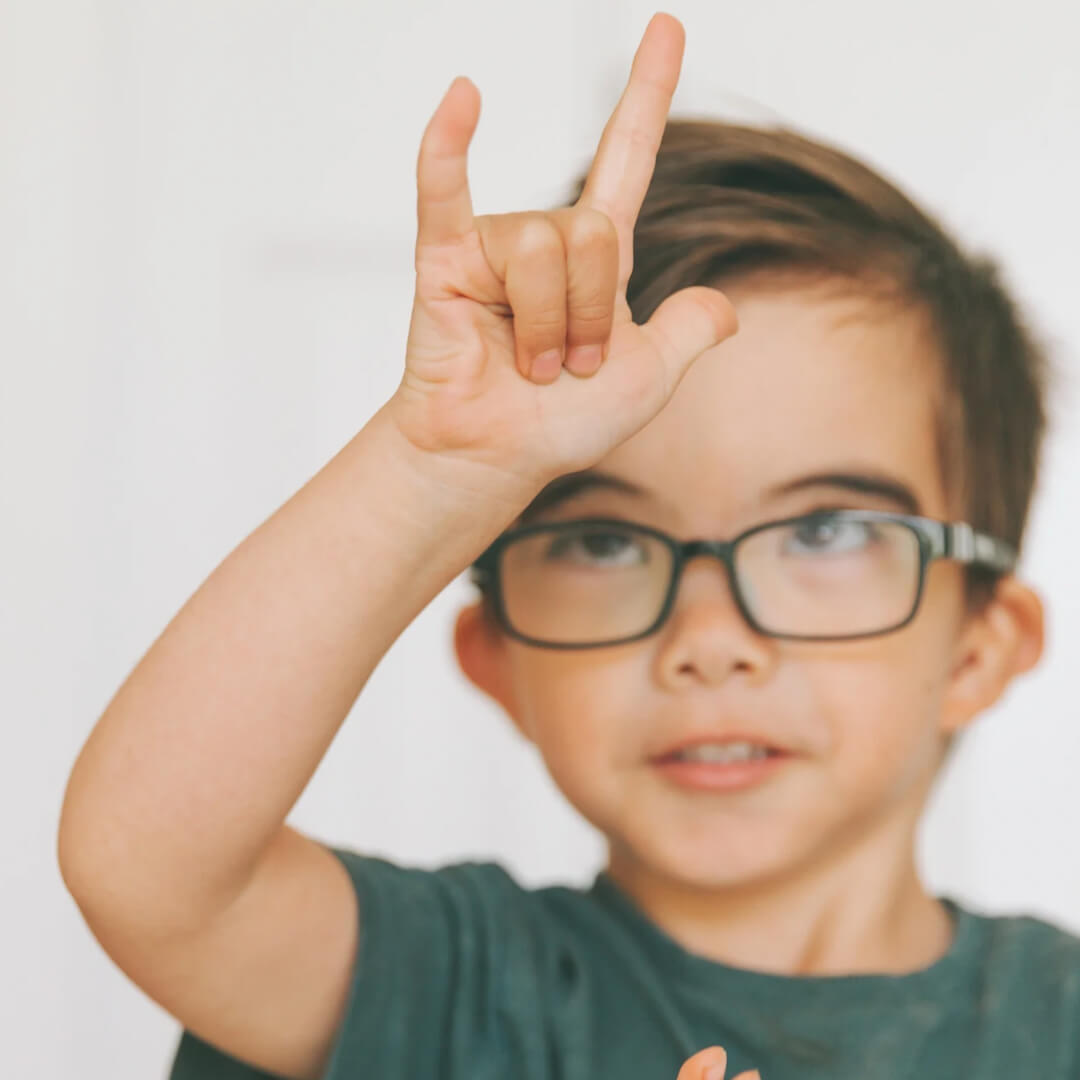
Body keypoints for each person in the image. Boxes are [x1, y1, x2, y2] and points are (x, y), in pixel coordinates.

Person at [56, 12, 1078, 1080]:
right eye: (602, 541)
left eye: (824, 530)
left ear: (981, 647)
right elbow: (149, 866)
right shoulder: (448, 988)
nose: (709, 641)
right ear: (495, 658)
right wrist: (432, 468)